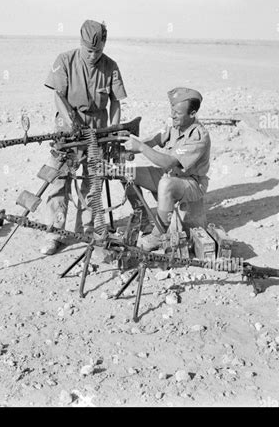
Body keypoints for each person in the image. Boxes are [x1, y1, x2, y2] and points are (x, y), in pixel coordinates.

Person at [41, 19, 128, 255]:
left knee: (93, 182)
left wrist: (113, 132)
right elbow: (58, 95)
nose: (93, 55)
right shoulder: (65, 60)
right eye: (89, 50)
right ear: (80, 43)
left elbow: (115, 102)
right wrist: (71, 121)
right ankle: (53, 233)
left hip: (97, 128)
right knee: (60, 180)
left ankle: (86, 230)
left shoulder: (111, 66)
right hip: (68, 128)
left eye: (98, 51)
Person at [122, 87, 211, 251]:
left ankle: (158, 236)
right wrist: (127, 147)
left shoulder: (198, 136)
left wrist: (141, 147)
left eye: (177, 112)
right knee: (127, 174)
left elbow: (168, 162)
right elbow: (154, 140)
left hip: (191, 183)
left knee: (166, 184)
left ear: (192, 114)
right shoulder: (175, 125)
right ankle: (143, 222)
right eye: (172, 110)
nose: (172, 115)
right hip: (169, 175)